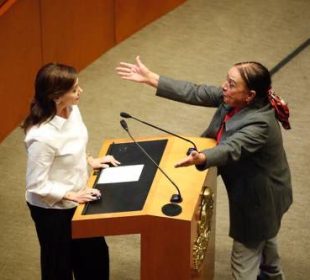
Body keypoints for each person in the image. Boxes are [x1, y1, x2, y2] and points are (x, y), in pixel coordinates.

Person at [116, 56, 292, 280]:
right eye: (227, 80)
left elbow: (231, 148)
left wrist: (203, 157)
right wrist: (152, 79)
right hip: (266, 193)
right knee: (267, 241)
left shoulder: (260, 123)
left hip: (259, 199)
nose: (223, 86)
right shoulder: (235, 98)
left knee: (243, 261)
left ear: (250, 95)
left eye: (231, 84)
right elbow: (195, 92)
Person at [22, 63, 120, 280]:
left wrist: (89, 160)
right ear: (57, 97)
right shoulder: (42, 137)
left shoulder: (72, 110)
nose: (80, 92)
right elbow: (36, 184)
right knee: (59, 267)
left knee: (95, 260)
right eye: (75, 89)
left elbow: (74, 145)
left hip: (79, 198)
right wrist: (70, 195)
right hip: (52, 210)